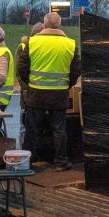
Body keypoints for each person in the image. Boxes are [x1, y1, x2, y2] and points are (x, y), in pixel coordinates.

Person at [17, 12, 81, 171]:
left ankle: (28, 161)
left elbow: (22, 68)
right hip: (59, 94)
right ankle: (61, 161)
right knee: (59, 130)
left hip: (36, 93)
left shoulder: (32, 42)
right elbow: (76, 70)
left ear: (44, 25)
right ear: (60, 25)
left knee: (32, 130)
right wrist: (67, 85)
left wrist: (31, 83)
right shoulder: (70, 44)